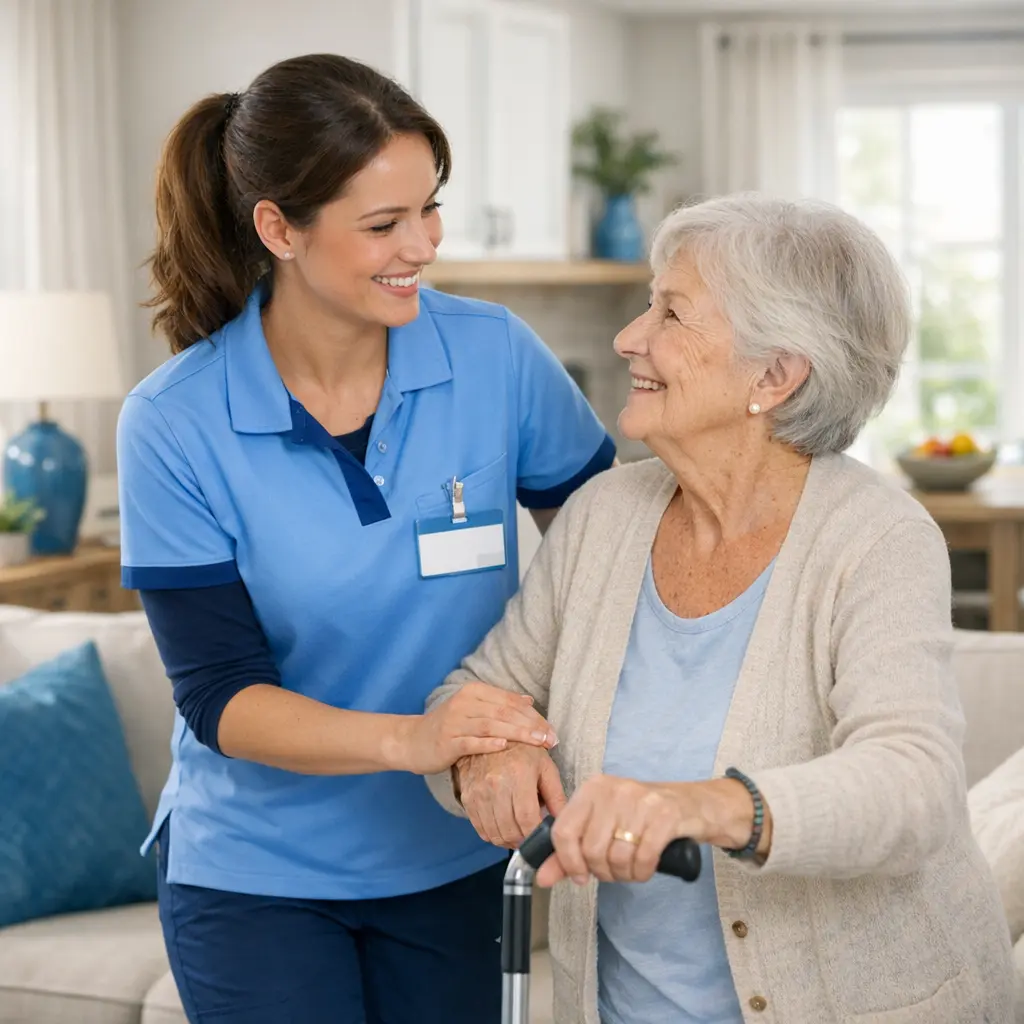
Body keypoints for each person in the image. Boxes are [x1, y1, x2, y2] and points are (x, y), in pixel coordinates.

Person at [426, 194, 1016, 1023]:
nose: (629, 337)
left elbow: (912, 784)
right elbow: (474, 694)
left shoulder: (876, 538)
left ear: (774, 375)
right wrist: (483, 760)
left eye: (671, 313)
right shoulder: (604, 517)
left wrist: (695, 805)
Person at [117, 53, 615, 1024]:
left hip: (451, 852)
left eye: (429, 208)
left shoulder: (494, 356)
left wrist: (522, 727)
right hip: (256, 874)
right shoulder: (174, 422)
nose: (422, 246)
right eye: (383, 224)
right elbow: (222, 696)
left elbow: (612, 555)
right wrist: (423, 738)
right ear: (278, 229)